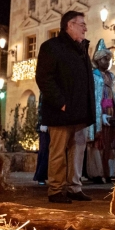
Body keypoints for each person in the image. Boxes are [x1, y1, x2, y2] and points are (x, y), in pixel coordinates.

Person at [35, 11, 95, 203]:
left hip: (79, 112)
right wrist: (60, 102)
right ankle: (56, 189)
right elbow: (44, 78)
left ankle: (74, 187)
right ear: (69, 25)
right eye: (82, 24)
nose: (85, 27)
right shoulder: (51, 47)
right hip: (60, 111)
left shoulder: (82, 49)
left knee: (77, 150)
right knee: (58, 151)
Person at [86, 40, 115, 184]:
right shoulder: (93, 76)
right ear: (97, 59)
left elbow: (114, 95)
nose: (107, 62)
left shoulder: (111, 76)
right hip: (99, 113)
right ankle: (97, 173)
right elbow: (95, 96)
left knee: (110, 143)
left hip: (111, 111)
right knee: (98, 143)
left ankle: (109, 172)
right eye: (104, 59)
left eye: (109, 59)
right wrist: (100, 114)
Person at [33, 95, 49, 185]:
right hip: (45, 125)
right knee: (44, 150)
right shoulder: (44, 92)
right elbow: (42, 107)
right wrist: (43, 122)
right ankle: (41, 176)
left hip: (51, 123)